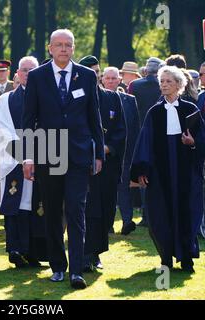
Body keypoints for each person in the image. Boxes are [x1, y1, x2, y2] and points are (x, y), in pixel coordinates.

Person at [23, 29, 104, 289]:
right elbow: (28, 119)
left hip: (79, 154)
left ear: (73, 48)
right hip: (48, 153)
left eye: (68, 45)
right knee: (53, 212)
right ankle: (58, 265)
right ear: (49, 48)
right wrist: (27, 157)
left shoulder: (87, 75)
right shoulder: (36, 77)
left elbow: (95, 117)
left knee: (76, 210)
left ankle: (76, 270)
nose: (63, 49)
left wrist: (99, 153)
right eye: (58, 45)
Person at [131, 66, 205, 273]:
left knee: (187, 212)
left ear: (179, 85)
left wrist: (192, 142)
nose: (164, 84)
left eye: (169, 81)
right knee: (160, 214)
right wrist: (142, 170)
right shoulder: (154, 112)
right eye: (162, 81)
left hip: (185, 173)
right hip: (160, 174)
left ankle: (187, 258)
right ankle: (166, 257)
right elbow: (145, 143)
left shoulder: (189, 109)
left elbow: (204, 141)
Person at [0, 56, 48, 268]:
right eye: (24, 70)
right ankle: (16, 249)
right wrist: (26, 155)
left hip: (45, 158)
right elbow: (3, 130)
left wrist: (38, 155)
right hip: (15, 160)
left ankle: (36, 251)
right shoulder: (7, 99)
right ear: (17, 73)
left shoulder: (48, 96)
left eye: (31, 70)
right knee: (16, 203)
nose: (27, 73)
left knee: (40, 205)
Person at [79, 64, 126, 271]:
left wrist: (106, 149)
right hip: (83, 164)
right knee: (89, 211)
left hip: (106, 165)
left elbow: (121, 130)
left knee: (105, 210)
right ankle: (85, 254)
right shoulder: (77, 98)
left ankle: (96, 251)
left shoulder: (112, 98)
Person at [101, 67, 140, 235]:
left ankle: (127, 220)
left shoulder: (130, 100)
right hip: (105, 151)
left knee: (124, 186)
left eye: (114, 78)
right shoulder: (97, 98)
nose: (110, 81)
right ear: (102, 80)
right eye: (107, 78)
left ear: (120, 80)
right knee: (106, 189)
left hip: (126, 151)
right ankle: (107, 223)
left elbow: (135, 127)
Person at [128, 57, 165, 227]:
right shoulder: (164, 85)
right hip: (162, 134)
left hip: (139, 134)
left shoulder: (135, 86)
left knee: (143, 173)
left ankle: (146, 214)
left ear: (145, 70)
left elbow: (129, 110)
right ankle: (159, 213)